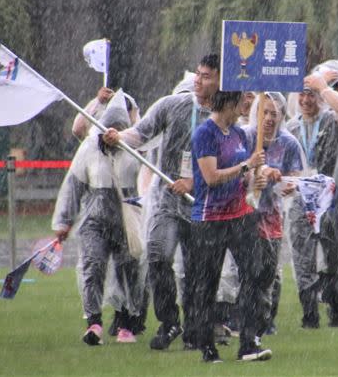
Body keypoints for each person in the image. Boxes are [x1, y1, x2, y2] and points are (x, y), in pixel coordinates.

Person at [102, 54, 219, 350]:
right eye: (198, 73)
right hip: (167, 201)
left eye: (206, 76)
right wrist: (119, 137)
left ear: (219, 79)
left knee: (197, 271)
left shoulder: (222, 117)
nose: (198, 80)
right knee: (157, 256)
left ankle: (195, 329)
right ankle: (170, 322)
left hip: (201, 205)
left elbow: (227, 160)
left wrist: (195, 181)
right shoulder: (172, 105)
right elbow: (140, 134)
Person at [53, 90, 145, 346]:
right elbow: (73, 186)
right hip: (94, 220)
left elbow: (148, 182)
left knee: (129, 271)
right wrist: (64, 221)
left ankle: (127, 322)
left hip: (127, 221)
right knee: (92, 267)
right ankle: (93, 322)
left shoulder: (136, 150)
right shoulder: (89, 148)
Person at [188, 89, 272, 363]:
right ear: (229, 102)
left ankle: (248, 343)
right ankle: (207, 347)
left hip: (240, 216)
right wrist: (246, 167)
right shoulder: (205, 134)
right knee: (207, 284)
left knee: (254, 274)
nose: (247, 105)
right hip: (210, 219)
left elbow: (243, 178)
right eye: (243, 101)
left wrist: (253, 181)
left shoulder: (239, 134)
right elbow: (211, 177)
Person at [285, 67, 338, 328]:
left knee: (334, 257)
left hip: (330, 201)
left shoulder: (329, 121)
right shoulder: (290, 128)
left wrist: (323, 86)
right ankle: (309, 314)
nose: (305, 100)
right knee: (303, 260)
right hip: (301, 203)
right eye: (301, 95)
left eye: (311, 95)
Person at [243, 92, 304, 336]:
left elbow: (297, 176)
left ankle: (266, 318)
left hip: (272, 213)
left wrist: (289, 184)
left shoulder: (288, 143)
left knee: (269, 269)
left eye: (274, 114)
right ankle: (248, 319)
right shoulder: (246, 137)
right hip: (244, 211)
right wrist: (261, 171)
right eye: (264, 112)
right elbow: (240, 167)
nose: (268, 118)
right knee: (248, 269)